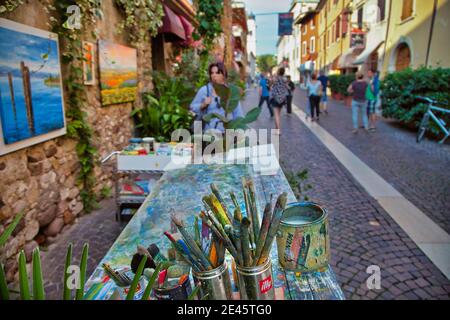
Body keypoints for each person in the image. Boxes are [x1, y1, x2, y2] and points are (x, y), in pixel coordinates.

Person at [190, 62, 243, 134]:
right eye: (212, 73)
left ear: (224, 75)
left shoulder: (231, 92)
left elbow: (238, 115)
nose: (214, 75)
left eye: (217, 73)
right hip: (208, 135)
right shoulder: (205, 90)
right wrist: (203, 105)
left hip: (226, 135)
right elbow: (192, 108)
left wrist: (239, 132)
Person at [270, 67, 290, 133]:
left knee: (276, 115)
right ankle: (276, 129)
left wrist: (274, 76)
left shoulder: (276, 78)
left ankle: (278, 130)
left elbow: (270, 84)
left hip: (275, 98)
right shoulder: (285, 79)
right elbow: (288, 87)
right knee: (278, 114)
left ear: (278, 71)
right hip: (282, 99)